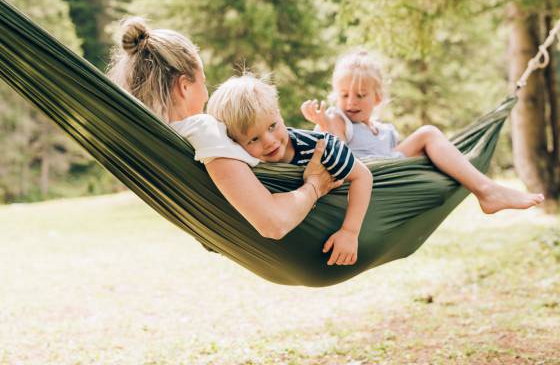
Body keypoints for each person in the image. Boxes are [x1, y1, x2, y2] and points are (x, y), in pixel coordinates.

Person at [107, 17, 343, 247]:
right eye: (203, 81)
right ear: (184, 86)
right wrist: (315, 186)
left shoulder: (154, 139)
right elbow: (273, 223)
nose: (207, 95)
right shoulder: (203, 131)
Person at [301, 49, 545, 214]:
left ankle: (483, 188)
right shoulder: (338, 119)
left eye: (360, 95)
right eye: (344, 95)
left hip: (394, 175)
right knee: (427, 133)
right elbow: (336, 151)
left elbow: (403, 157)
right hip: (369, 179)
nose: (351, 101)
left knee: (429, 134)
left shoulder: (386, 131)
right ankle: (488, 191)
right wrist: (323, 126)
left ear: (377, 98)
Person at [207, 75, 373, 266]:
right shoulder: (240, 165)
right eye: (253, 139)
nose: (269, 141)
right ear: (235, 143)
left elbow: (363, 176)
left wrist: (350, 232)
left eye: (272, 126)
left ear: (279, 114)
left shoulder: (322, 147)